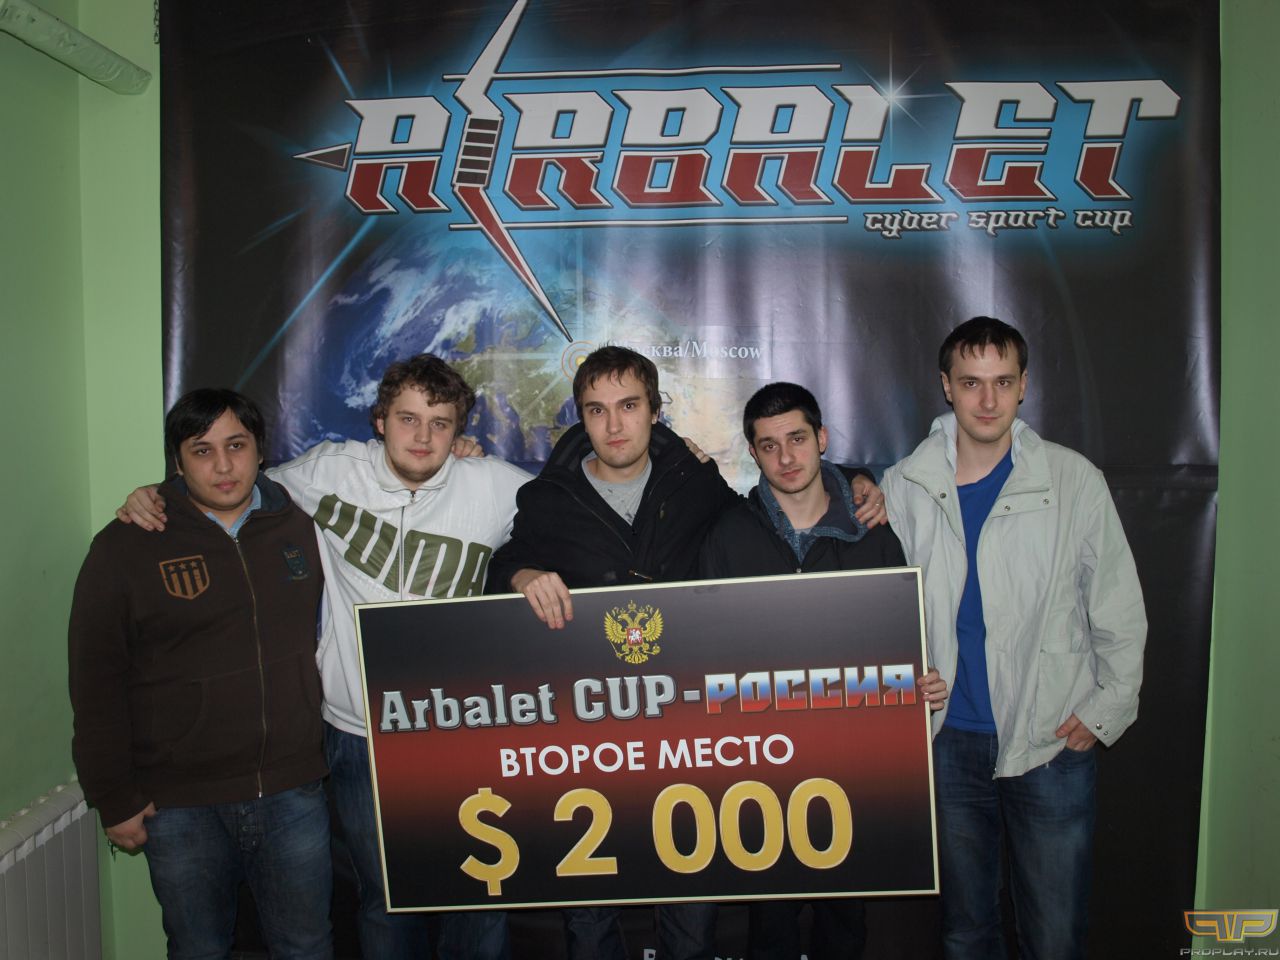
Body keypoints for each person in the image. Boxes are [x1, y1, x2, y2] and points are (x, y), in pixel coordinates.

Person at [118, 357, 529, 960]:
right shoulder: (327, 471)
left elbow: (572, 502)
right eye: (408, 419)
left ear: (460, 429)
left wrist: (523, 569)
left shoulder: (491, 484)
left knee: (480, 895)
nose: (422, 437)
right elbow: (230, 480)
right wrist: (159, 495)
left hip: (458, 728)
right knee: (385, 899)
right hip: (358, 734)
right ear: (380, 421)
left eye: (440, 424)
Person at [880, 317, 1147, 960]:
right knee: (966, 931)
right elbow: (881, 607)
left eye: (1002, 382)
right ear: (946, 386)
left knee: (1053, 936)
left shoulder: (1072, 479)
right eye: (972, 382)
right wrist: (908, 672)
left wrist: (1106, 709)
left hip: (1050, 735)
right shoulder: (905, 484)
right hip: (947, 739)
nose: (988, 400)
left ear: (1024, 385)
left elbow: (1117, 604)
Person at [488, 345, 743, 960]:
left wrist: (849, 483)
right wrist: (520, 574)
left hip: (686, 729)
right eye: (596, 410)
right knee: (589, 912)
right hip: (588, 733)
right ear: (580, 416)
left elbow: (764, 527)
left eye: (629, 406)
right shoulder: (548, 498)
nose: (614, 424)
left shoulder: (696, 483)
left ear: (655, 410)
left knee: (691, 905)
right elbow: (503, 565)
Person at [70, 389, 332, 959]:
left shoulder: (300, 526)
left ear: (259, 450)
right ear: (178, 460)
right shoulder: (126, 545)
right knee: (198, 950)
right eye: (202, 450)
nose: (223, 465)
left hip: (292, 791)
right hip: (180, 803)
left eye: (236, 446)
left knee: (307, 947)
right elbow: (95, 680)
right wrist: (113, 795)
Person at [699, 381, 947, 960]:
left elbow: (896, 644)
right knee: (771, 927)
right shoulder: (730, 536)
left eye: (797, 439)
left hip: (852, 772)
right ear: (753, 454)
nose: (786, 458)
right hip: (760, 773)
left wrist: (919, 683)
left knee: (845, 922)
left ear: (823, 439)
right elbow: (707, 655)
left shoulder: (874, 533)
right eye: (769, 446)